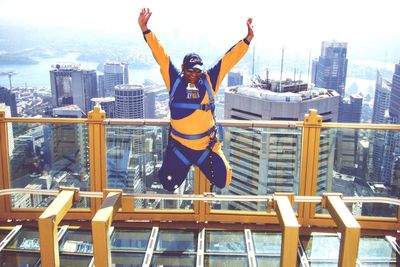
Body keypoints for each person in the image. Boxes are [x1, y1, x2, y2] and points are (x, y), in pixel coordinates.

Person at [138, 8, 254, 192]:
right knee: (168, 183)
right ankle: (180, 168)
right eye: (190, 70)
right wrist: (146, 30)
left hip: (205, 148)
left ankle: (193, 168)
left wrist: (247, 40)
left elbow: (228, 59)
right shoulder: (174, 80)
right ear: (183, 68)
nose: (194, 74)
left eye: (197, 70)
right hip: (180, 147)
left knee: (223, 180)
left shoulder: (208, 80)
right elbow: (161, 55)